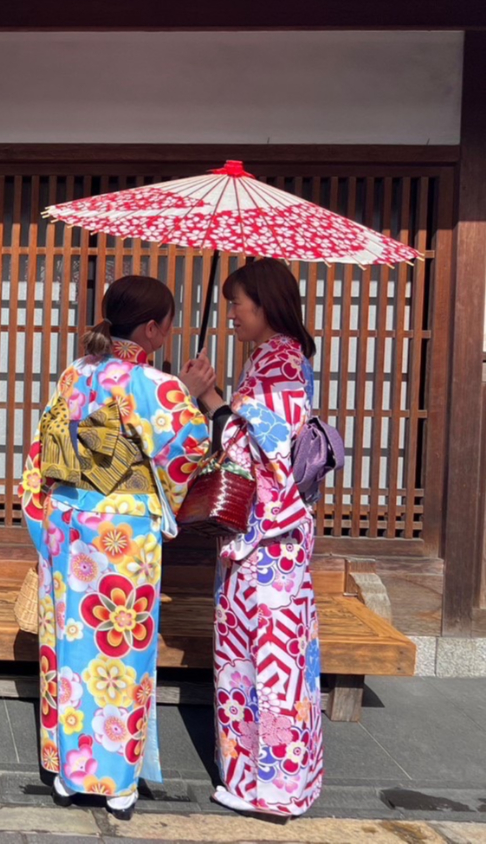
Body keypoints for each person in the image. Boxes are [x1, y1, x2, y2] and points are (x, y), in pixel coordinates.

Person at [19, 276, 214, 819]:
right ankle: (114, 779)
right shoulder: (157, 385)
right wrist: (193, 397)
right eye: (168, 324)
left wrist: (43, 523)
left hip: (67, 522)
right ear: (153, 328)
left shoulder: (75, 373)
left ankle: (65, 769)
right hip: (122, 535)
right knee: (121, 648)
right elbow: (188, 452)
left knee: (69, 644)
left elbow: (44, 449)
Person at [189, 258, 324, 818]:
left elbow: (254, 453)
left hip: (268, 539)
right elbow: (248, 439)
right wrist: (221, 398)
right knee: (261, 657)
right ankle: (257, 779)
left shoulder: (280, 365)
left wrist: (210, 399)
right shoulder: (274, 359)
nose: (230, 316)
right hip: (265, 538)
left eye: (236, 306)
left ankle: (276, 788)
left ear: (265, 304)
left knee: (269, 660)